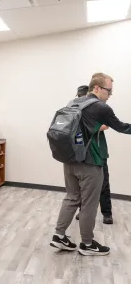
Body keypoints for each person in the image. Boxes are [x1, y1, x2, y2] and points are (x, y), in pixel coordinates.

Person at [50, 73, 131, 256]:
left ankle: (59, 235)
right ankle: (87, 244)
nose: (110, 95)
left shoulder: (73, 102)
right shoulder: (100, 107)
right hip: (90, 162)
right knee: (89, 204)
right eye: (108, 90)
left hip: (69, 159)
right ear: (96, 88)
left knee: (71, 198)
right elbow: (121, 127)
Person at [75, 84, 113, 224]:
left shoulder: (98, 107)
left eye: (83, 96)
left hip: (99, 151)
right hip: (83, 153)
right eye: (79, 97)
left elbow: (106, 125)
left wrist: (89, 126)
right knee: (83, 186)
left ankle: (107, 213)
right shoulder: (78, 109)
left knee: (103, 184)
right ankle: (82, 211)